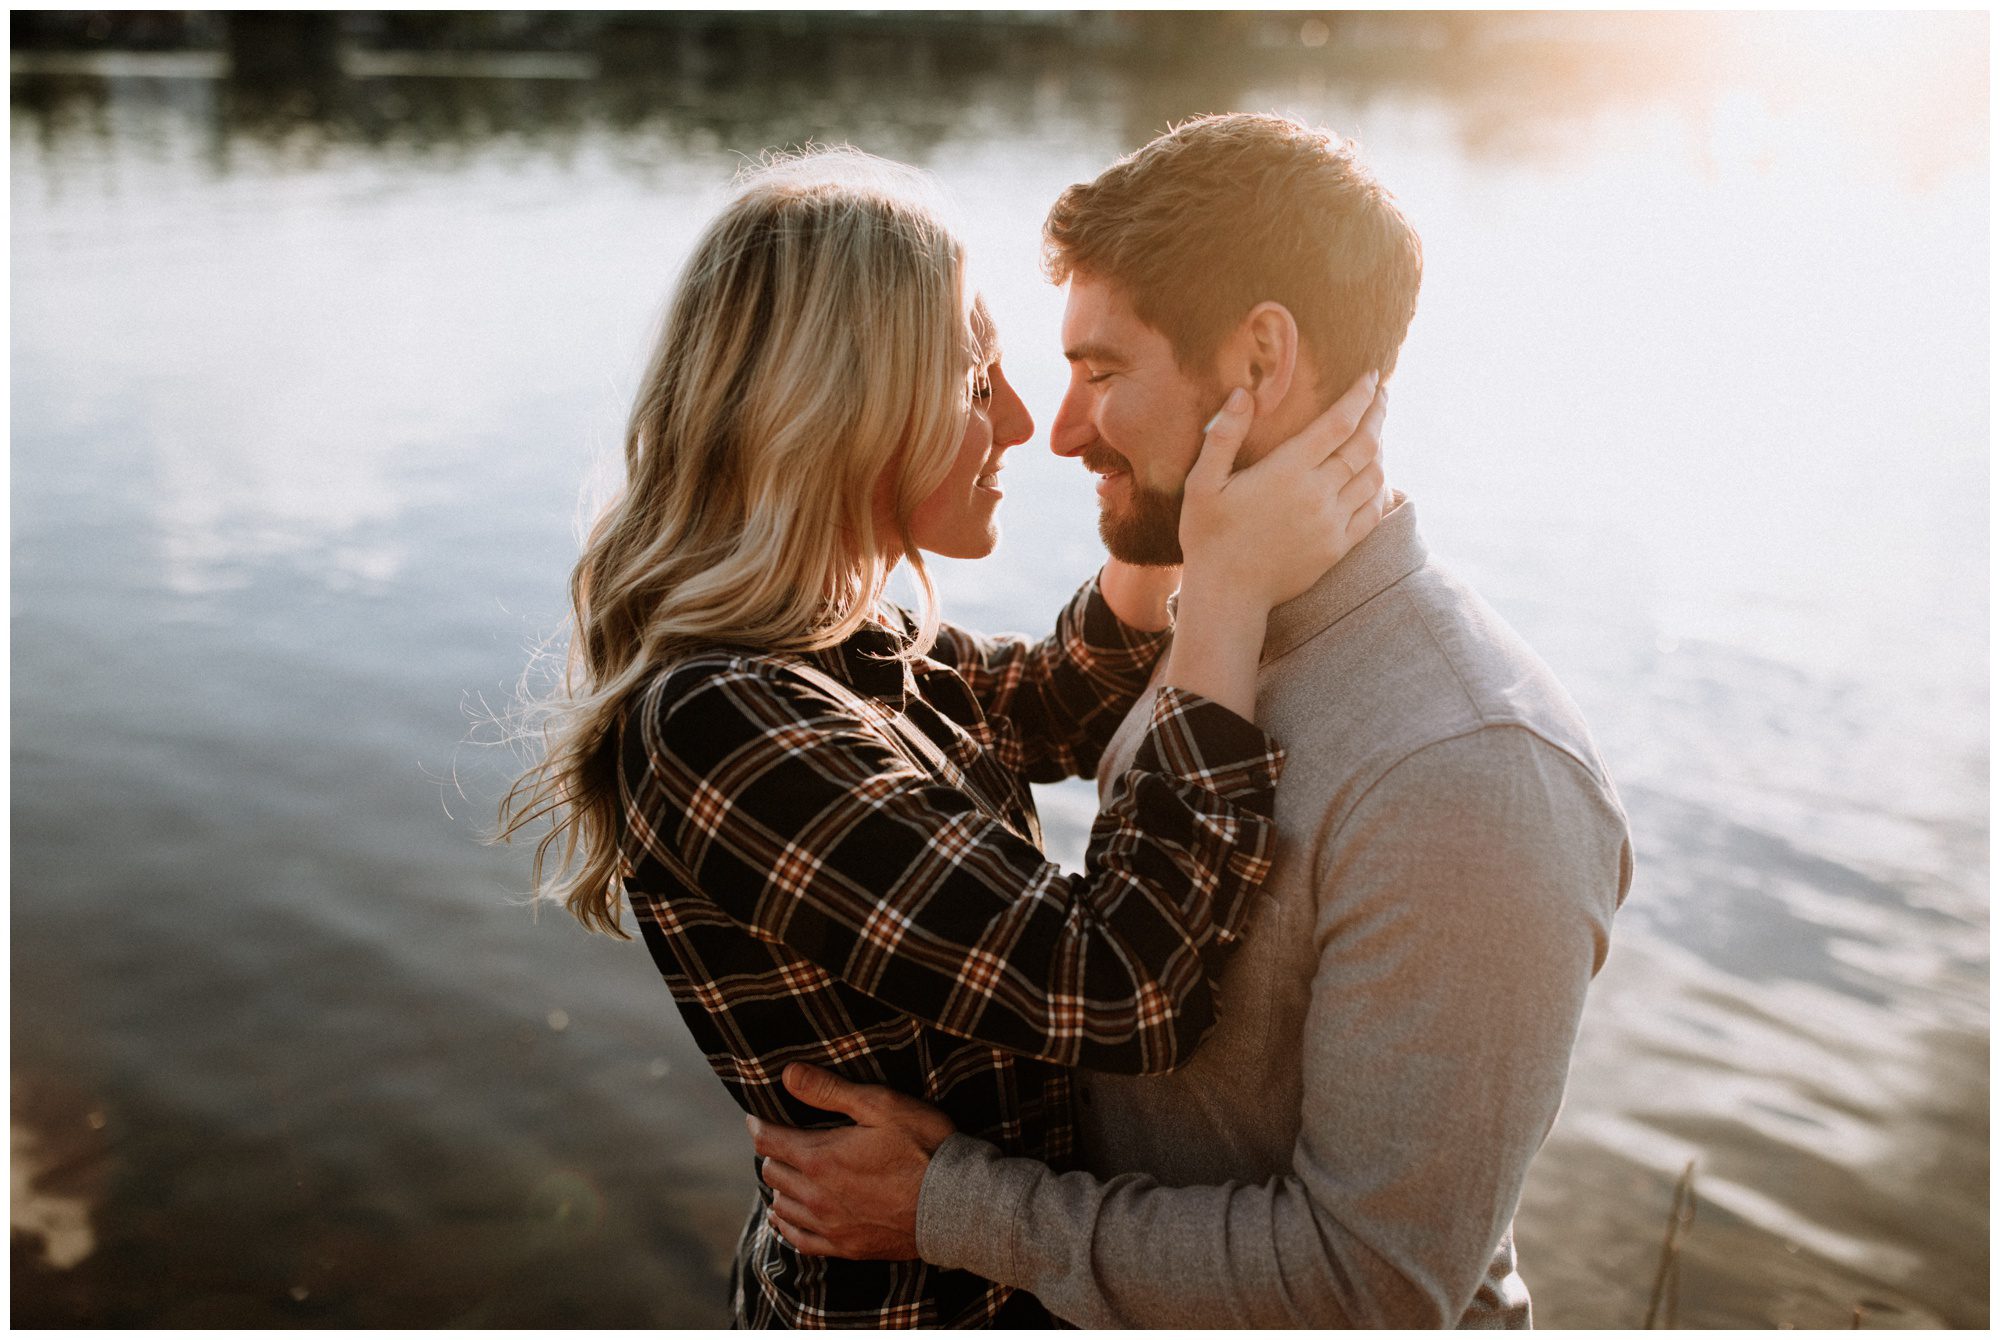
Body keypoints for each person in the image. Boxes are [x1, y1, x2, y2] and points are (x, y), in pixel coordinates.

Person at [747, 114, 1635, 1327]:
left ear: (1258, 365)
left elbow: (1370, 1286)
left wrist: (950, 1207)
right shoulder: (1219, 632)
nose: (1057, 431)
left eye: (1102, 373)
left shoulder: (1469, 775)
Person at [496, 146, 1393, 1327]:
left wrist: (1157, 490)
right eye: (976, 384)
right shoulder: (719, 724)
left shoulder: (829, 650)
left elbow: (1049, 700)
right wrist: (1224, 591)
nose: (1027, 423)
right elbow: (1120, 985)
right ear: (842, 410)